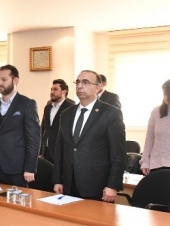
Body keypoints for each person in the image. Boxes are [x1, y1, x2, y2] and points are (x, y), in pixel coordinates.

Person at [52, 70, 126, 202]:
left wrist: (112, 185)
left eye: (86, 82)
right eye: (78, 82)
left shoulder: (111, 113)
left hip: (97, 184)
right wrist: (57, 180)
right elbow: (60, 150)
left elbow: (118, 154)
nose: (80, 86)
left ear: (98, 88)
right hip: (69, 183)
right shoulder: (67, 114)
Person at [0, 65, 40, 186]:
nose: (0, 83)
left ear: (15, 80)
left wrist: (30, 168)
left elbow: (33, 139)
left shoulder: (27, 104)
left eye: (4, 79)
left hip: (17, 169)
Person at [40, 79, 74, 163]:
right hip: (46, 151)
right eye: (51, 89)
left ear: (64, 92)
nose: (52, 92)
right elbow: (43, 128)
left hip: (62, 152)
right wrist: (40, 150)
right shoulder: (47, 107)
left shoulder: (71, 108)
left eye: (55, 89)